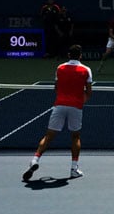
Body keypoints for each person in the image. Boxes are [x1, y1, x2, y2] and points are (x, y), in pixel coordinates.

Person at [23, 44, 93, 181]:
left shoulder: (60, 68)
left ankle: (35, 159)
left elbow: (56, 87)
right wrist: (80, 102)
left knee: (48, 136)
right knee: (75, 137)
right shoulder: (86, 70)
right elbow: (89, 92)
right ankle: (74, 169)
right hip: (76, 107)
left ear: (68, 55)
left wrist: (63, 98)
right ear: (80, 56)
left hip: (59, 105)